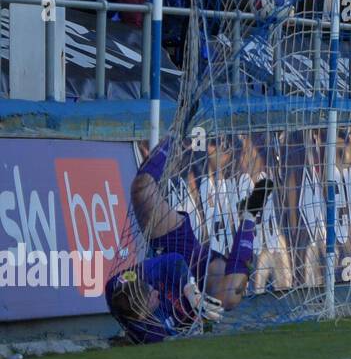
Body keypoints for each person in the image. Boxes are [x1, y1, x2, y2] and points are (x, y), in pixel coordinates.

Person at [104, 138, 274, 344]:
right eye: (152, 296)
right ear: (143, 315)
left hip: (177, 253)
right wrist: (198, 314)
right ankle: (249, 215)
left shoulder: (121, 283)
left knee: (141, 190)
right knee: (231, 294)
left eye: (150, 288)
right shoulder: (152, 331)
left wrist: (189, 290)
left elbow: (173, 260)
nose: (155, 290)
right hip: (201, 285)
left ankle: (178, 135)